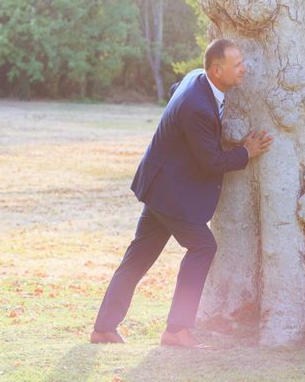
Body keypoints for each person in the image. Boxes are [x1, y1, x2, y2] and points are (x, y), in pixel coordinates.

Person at [90, 39, 273, 348]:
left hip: (161, 185)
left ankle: (103, 329)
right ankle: (176, 330)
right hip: (172, 193)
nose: (245, 68)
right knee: (203, 248)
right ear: (217, 70)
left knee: (138, 258)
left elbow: (176, 90)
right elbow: (211, 161)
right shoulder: (197, 107)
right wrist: (246, 151)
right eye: (237, 65)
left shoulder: (195, 78)